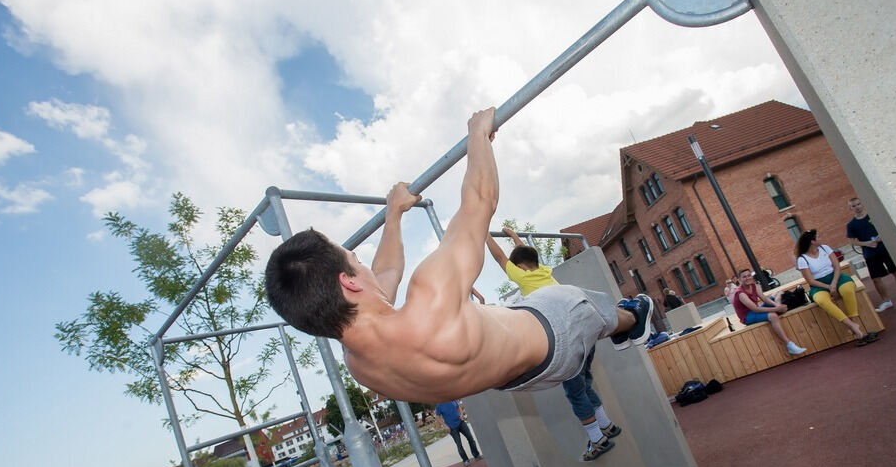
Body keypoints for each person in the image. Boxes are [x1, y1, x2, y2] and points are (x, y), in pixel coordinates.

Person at [264, 108, 654, 445]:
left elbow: (381, 278)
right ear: (349, 282)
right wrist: (478, 134)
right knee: (585, 303)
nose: (365, 264)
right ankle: (632, 321)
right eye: (356, 259)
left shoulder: (360, 362)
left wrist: (393, 213)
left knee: (531, 307)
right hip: (556, 330)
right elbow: (480, 202)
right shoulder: (429, 296)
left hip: (525, 380)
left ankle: (620, 324)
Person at [486, 226, 624, 460]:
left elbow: (499, 256)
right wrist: (512, 235)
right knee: (585, 384)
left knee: (575, 393)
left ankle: (597, 439)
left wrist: (483, 233)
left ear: (519, 268)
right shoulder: (546, 273)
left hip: (568, 341)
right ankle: (607, 425)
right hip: (585, 337)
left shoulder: (524, 277)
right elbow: (525, 253)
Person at [795, 229, 879, 345]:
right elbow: (810, 281)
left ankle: (854, 324)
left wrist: (833, 283)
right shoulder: (802, 259)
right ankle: (851, 325)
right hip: (819, 284)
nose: (820, 238)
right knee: (822, 300)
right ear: (812, 242)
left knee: (847, 290)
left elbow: (837, 267)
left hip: (836, 277)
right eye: (817, 237)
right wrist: (828, 287)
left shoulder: (825, 248)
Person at [845, 197, 896, 312]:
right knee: (876, 278)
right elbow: (852, 241)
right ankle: (886, 301)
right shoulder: (851, 225)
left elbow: (887, 227)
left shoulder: (874, 215)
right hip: (870, 252)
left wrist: (881, 237)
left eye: (858, 204)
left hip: (885, 248)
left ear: (862, 203)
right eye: (854, 206)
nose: (857, 207)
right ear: (850, 208)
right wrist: (867, 243)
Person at [731, 269, 807, 355]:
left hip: (756, 310)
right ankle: (789, 345)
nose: (747, 278)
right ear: (739, 279)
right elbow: (755, 309)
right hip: (747, 316)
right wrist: (776, 309)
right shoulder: (740, 293)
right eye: (744, 277)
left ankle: (780, 305)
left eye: (749, 275)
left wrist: (776, 305)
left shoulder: (754, 286)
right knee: (773, 316)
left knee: (779, 293)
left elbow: (765, 299)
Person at [435, 399, 482, 467]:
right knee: (459, 444)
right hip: (451, 427)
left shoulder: (452, 398)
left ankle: (476, 455)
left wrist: (461, 414)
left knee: (470, 439)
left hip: (461, 422)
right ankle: (465, 460)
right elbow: (437, 417)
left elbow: (458, 406)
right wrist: (445, 426)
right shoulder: (439, 405)